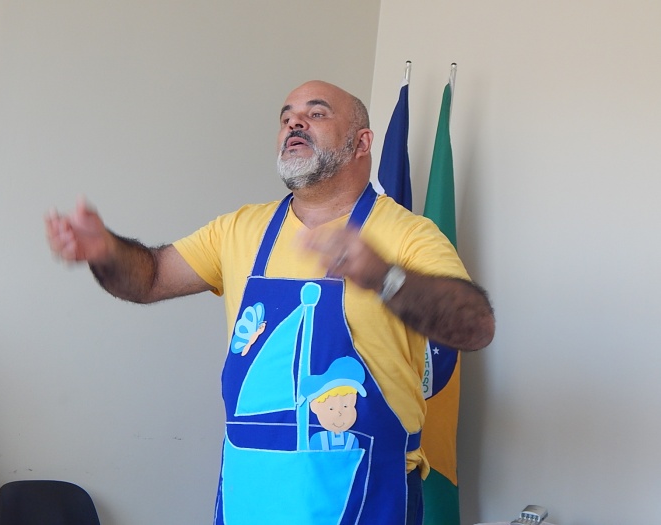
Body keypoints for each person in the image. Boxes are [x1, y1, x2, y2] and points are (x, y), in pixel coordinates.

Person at [45, 80, 495, 525]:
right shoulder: (238, 229)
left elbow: (475, 327)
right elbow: (151, 277)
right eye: (286, 117)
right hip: (253, 498)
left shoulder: (410, 235)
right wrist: (106, 251)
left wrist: (384, 277)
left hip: (369, 499)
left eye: (315, 113)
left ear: (362, 143)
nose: (294, 123)